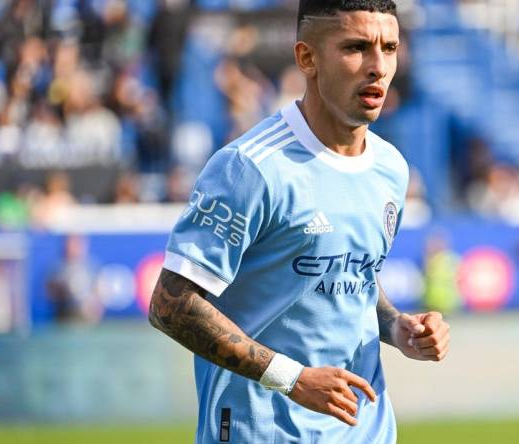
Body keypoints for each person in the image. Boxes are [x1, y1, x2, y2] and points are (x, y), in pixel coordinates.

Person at [149, 1, 450, 443]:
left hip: (365, 431)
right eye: (356, 48)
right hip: (261, 431)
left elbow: (355, 273)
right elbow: (170, 304)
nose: (378, 67)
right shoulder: (250, 168)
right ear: (308, 58)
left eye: (389, 48)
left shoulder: (391, 167)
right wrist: (291, 378)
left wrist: (397, 327)